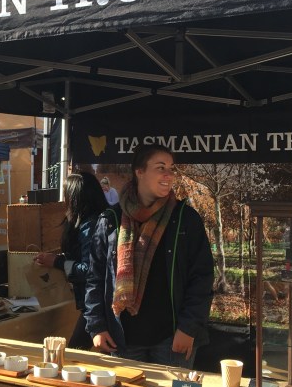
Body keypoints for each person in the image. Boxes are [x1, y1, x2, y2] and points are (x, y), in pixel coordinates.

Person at [85, 144, 213, 367]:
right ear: (139, 171)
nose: (168, 175)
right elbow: (95, 278)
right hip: (122, 339)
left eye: (171, 168)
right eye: (160, 168)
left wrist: (188, 327)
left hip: (172, 340)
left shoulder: (185, 219)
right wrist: (97, 326)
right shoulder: (110, 220)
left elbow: (202, 277)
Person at [34, 172, 106, 350]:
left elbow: (89, 270)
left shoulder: (90, 225)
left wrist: (57, 262)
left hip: (98, 303)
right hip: (98, 301)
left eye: (66, 195)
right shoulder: (97, 220)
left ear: (74, 198)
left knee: (76, 352)